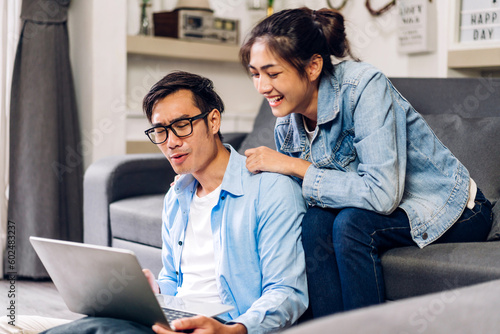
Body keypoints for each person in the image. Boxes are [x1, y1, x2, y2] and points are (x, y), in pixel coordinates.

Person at [240, 7, 494, 319]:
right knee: (316, 223)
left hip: (455, 210)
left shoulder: (364, 87)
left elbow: (381, 194)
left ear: (313, 66)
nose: (262, 87)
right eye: (255, 74)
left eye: (273, 73)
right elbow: (297, 203)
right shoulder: (287, 124)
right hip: (382, 214)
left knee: (350, 225)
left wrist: (296, 167)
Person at [33, 71, 308, 334]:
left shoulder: (271, 189)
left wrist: (232, 330)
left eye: (181, 126)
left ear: (213, 121)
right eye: (160, 131)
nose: (171, 142)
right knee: (93, 323)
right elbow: (175, 280)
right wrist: (156, 294)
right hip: (172, 323)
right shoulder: (176, 197)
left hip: (226, 327)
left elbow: (287, 293)